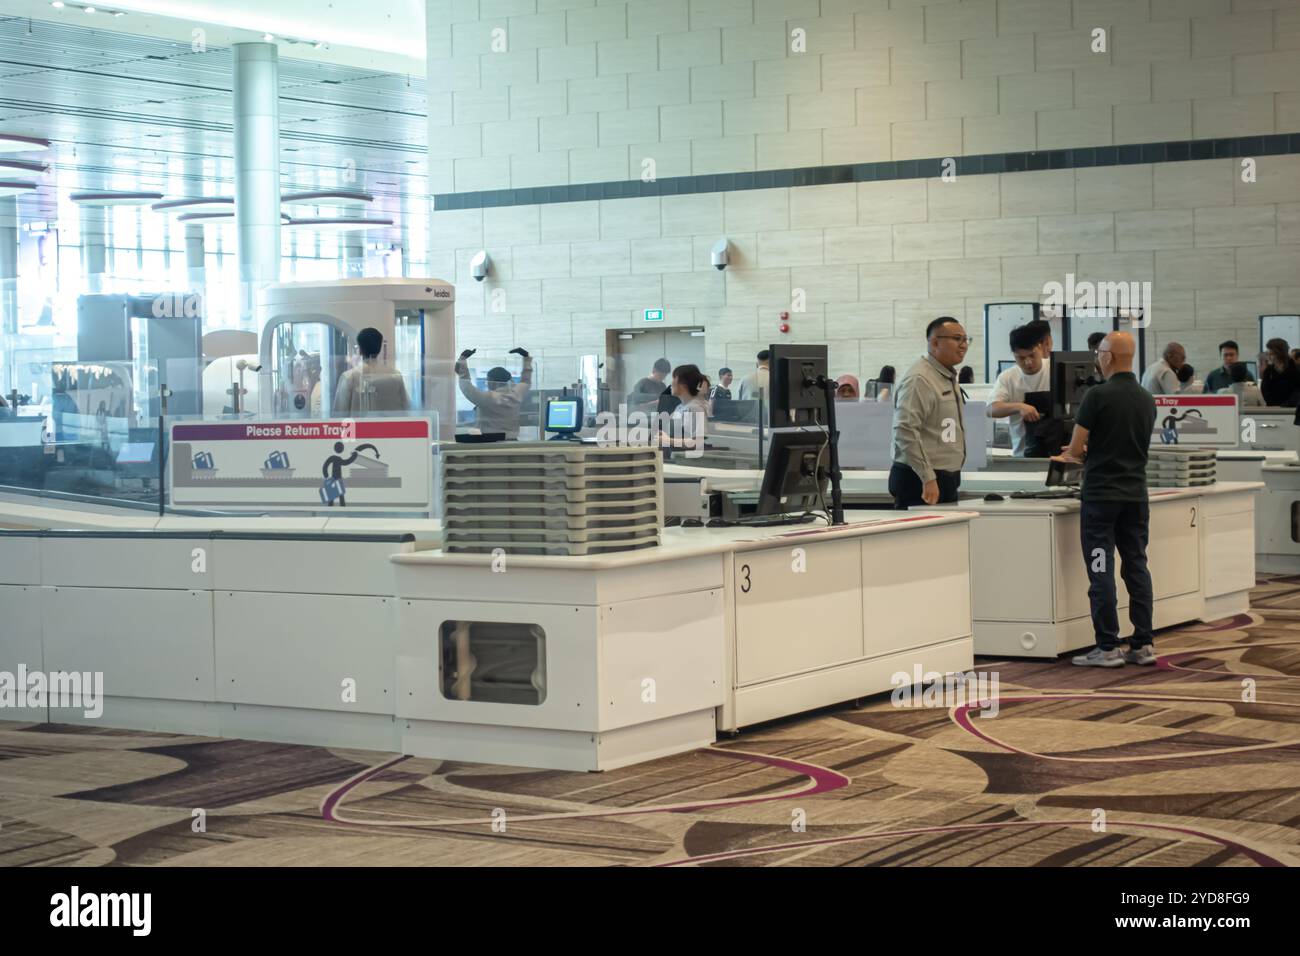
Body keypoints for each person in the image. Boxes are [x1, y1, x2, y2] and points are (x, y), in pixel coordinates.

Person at [1052, 332, 1158, 668]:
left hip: (1101, 500)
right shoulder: (1146, 398)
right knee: (1137, 566)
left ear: (1108, 357)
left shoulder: (1097, 396)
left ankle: (1107, 646)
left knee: (1100, 569)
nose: (1096, 357)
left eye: (1098, 352)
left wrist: (1074, 455)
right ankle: (1143, 644)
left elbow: (1074, 448)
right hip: (1135, 498)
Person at [889, 317, 968, 508]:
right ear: (934, 342)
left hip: (944, 478)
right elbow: (905, 430)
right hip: (920, 481)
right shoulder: (920, 379)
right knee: (919, 538)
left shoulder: (945, 375)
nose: (963, 345)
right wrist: (928, 477)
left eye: (966, 340)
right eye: (957, 339)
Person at [988, 321, 1052, 457]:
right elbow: (991, 409)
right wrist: (1019, 407)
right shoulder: (1008, 377)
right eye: (1021, 358)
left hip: (1058, 453)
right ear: (1013, 354)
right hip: (1023, 454)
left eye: (1032, 355)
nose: (1028, 362)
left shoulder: (1056, 369)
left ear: (1040, 347)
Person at [456, 345, 533, 439]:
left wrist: (462, 359)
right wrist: (526, 358)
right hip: (512, 442)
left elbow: (465, 386)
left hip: (490, 443)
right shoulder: (517, 394)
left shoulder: (487, 398)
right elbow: (526, 381)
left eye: (488, 380)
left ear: (492, 381)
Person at [333, 327, 411, 415]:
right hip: (391, 427)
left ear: (360, 350)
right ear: (379, 348)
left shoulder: (349, 377)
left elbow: (339, 413)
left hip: (360, 428)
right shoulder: (395, 375)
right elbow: (406, 408)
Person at [661, 364, 709, 451]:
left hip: (685, 460)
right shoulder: (679, 407)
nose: (671, 382)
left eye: (674, 378)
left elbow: (697, 443)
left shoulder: (695, 408)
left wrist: (668, 440)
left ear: (684, 385)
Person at [1260, 337, 1300, 407]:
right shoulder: (1269, 370)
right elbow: (1265, 390)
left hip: (1292, 409)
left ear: (1280, 353)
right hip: (1273, 408)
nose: (1269, 357)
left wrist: (1287, 404)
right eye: (1268, 354)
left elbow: (1298, 391)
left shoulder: (1295, 369)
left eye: (1272, 354)